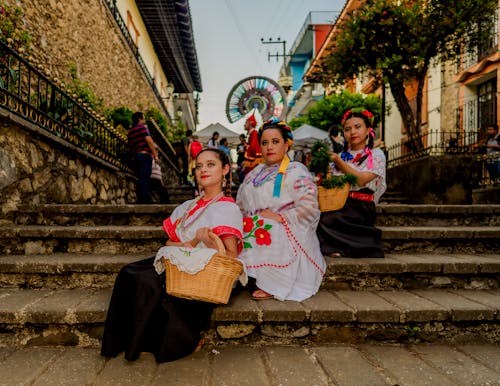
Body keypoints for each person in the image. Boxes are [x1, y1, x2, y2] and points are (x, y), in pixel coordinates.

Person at [101, 149, 244, 363]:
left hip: (203, 272)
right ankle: (124, 341)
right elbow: (169, 242)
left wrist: (205, 241)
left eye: (210, 164)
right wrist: (189, 243)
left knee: (148, 282)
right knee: (128, 272)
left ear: (225, 170)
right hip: (179, 260)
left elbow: (230, 255)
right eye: (199, 166)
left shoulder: (227, 208)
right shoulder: (187, 206)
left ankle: (169, 340)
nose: (203, 169)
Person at [236, 117, 325, 301]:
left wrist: (280, 217)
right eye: (265, 143)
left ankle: (273, 282)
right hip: (254, 224)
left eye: (275, 142)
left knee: (266, 227)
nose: (269, 147)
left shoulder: (295, 171)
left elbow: (310, 208)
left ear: (287, 145)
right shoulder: (254, 173)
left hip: (286, 229)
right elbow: (241, 204)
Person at [316, 108, 386, 258]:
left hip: (361, 205)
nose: (352, 132)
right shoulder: (341, 155)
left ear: (368, 130)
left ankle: (338, 247)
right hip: (339, 202)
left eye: (358, 127)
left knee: (329, 219)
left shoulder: (376, 154)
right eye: (347, 129)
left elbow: (361, 180)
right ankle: (336, 247)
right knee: (315, 215)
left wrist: (338, 161)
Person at [128, 111, 158, 204]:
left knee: (140, 177)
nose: (144, 120)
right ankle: (145, 200)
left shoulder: (131, 131)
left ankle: (142, 198)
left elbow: (131, 144)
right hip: (145, 155)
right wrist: (155, 154)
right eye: (143, 118)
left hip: (136, 155)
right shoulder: (142, 128)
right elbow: (149, 141)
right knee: (145, 177)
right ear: (139, 119)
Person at [241, 113, 262, 177]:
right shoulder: (251, 134)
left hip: (252, 165)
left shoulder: (254, 134)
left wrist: (246, 146)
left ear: (250, 123)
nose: (244, 125)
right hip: (250, 165)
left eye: (246, 122)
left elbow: (253, 149)